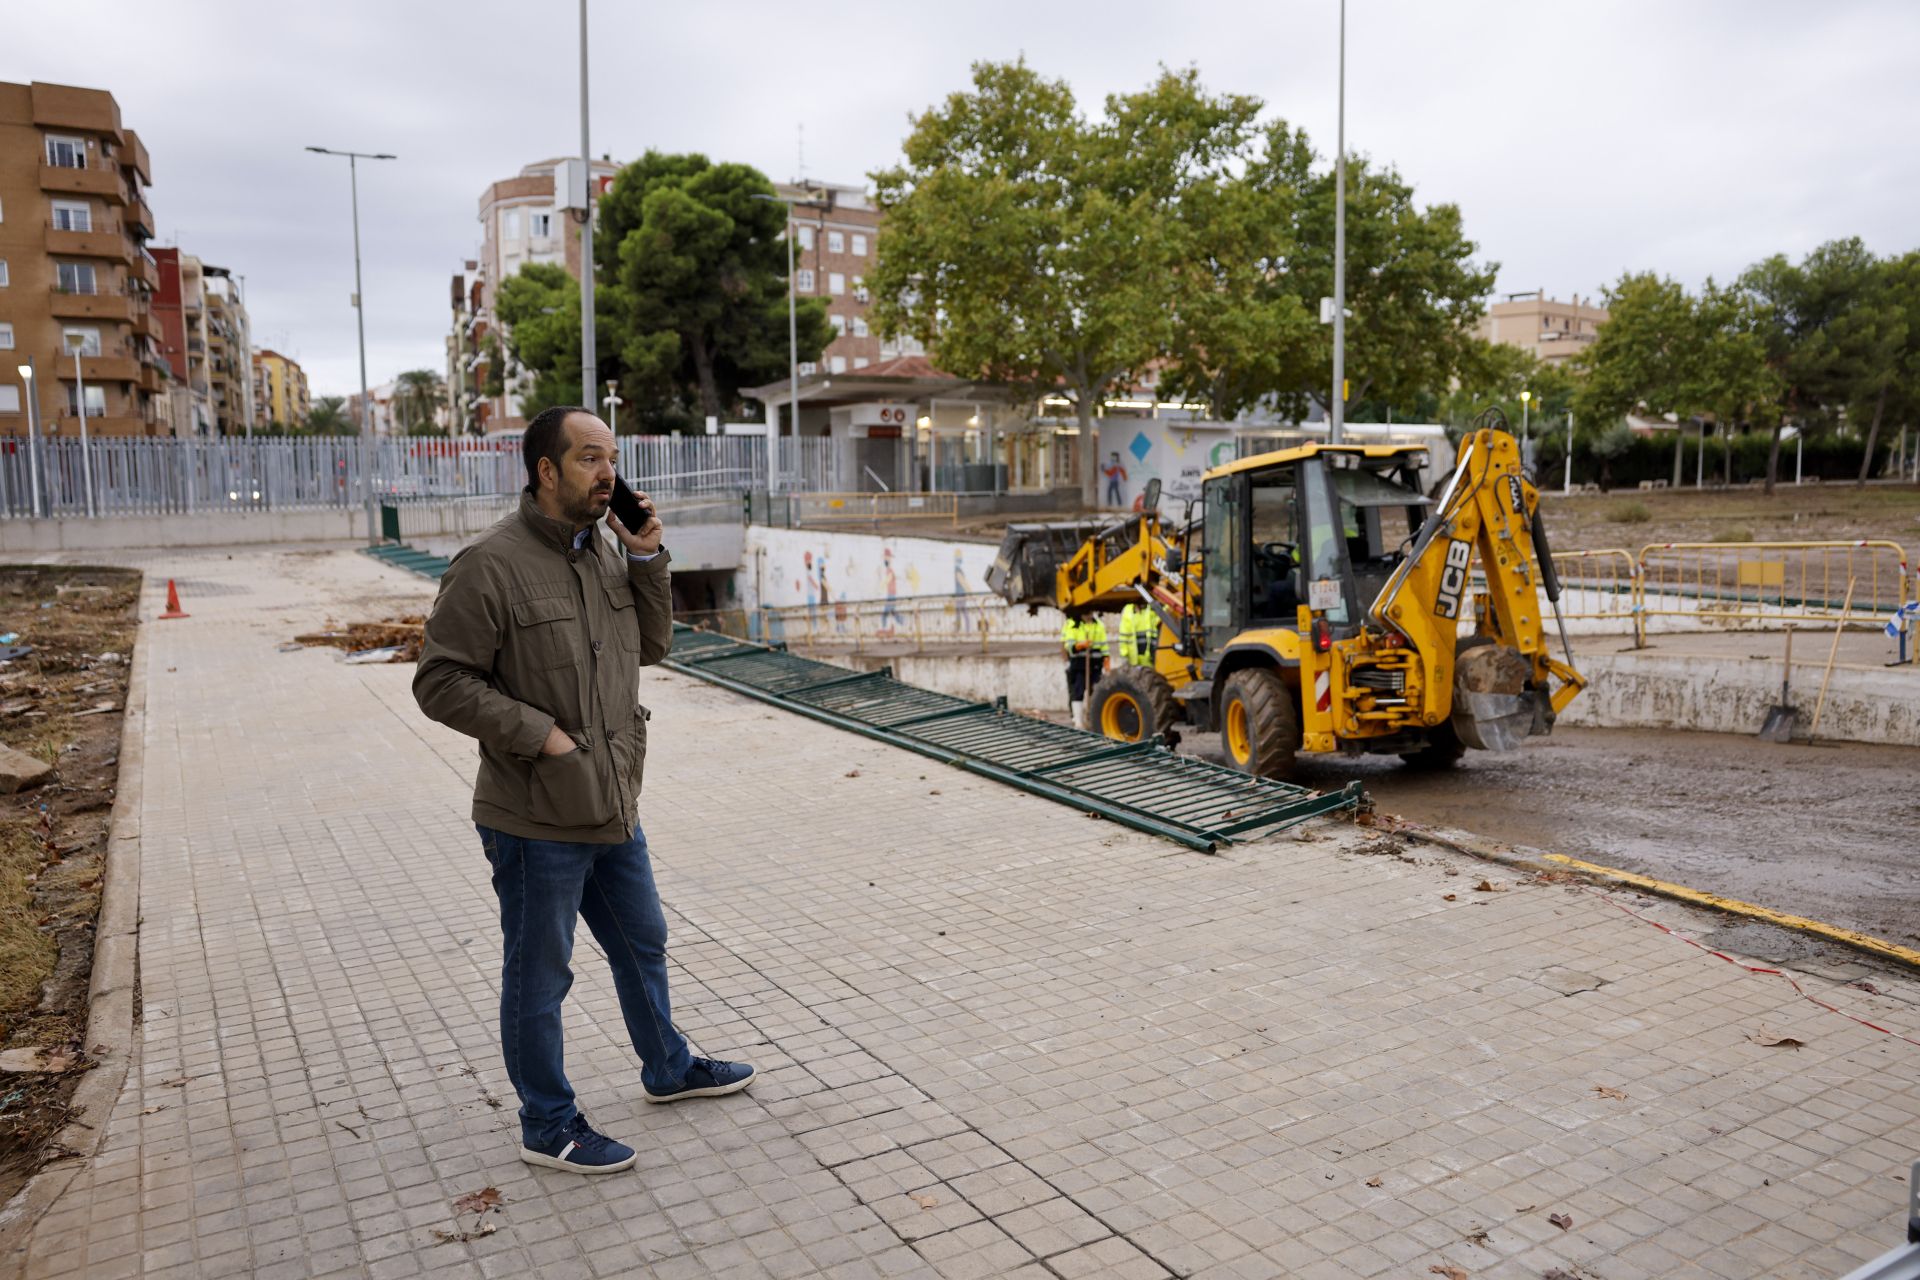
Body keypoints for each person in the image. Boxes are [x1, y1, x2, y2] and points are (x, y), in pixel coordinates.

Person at [413, 405, 754, 1176]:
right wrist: (544, 736)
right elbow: (438, 682)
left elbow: (654, 647)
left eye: (612, 459)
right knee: (540, 976)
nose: (609, 475)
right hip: (535, 815)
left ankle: (668, 1068)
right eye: (591, 459)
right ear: (546, 471)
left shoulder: (605, 549)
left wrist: (645, 561)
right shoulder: (489, 565)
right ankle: (548, 1122)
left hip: (611, 800)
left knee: (644, 942)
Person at [1060, 612, 1108, 730]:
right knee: (1078, 690)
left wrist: (1107, 662)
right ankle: (1078, 720)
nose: (1089, 615)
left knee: (1096, 690)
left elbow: (1104, 647)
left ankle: (1093, 718)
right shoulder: (1073, 624)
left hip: (1095, 664)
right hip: (1079, 664)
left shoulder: (1099, 625)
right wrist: (1079, 645)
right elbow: (1069, 645)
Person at [1119, 601, 1156, 668]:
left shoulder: (1149, 610)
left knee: (1148, 675)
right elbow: (1123, 636)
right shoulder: (1128, 611)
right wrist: (1124, 654)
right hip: (1133, 657)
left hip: (1147, 656)